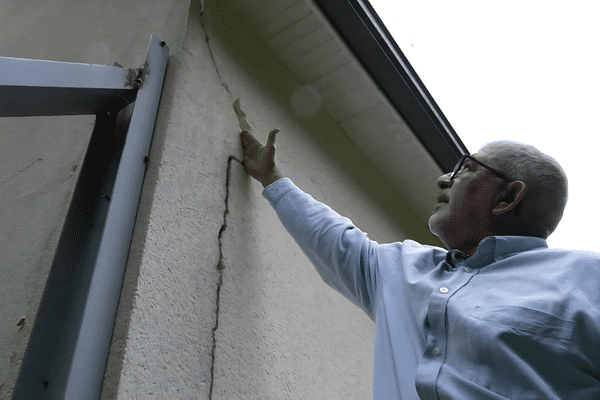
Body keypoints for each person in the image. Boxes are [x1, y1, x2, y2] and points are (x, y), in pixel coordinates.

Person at [240, 129, 600, 399]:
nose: (444, 178)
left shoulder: (585, 278)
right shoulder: (403, 269)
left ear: (508, 196)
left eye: (466, 169)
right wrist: (272, 179)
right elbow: (335, 239)